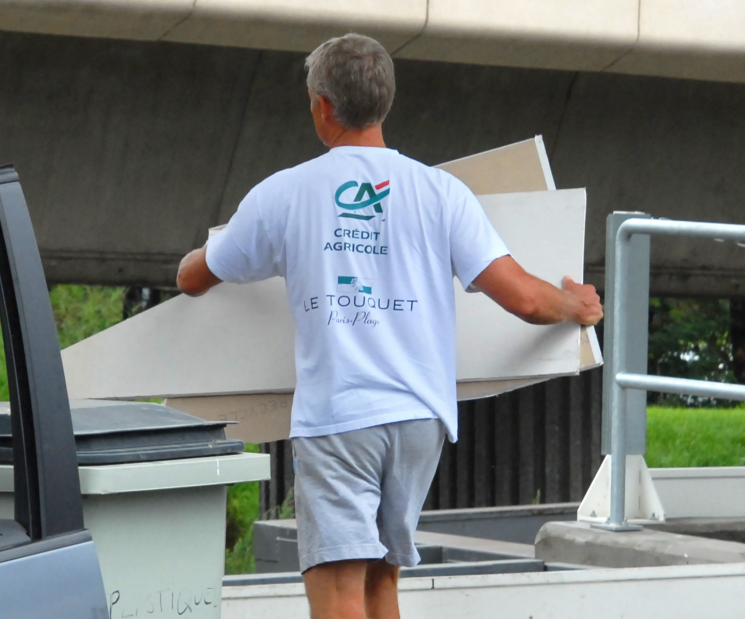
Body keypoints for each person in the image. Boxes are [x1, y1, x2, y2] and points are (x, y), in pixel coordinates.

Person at [175, 33, 603, 619]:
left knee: (338, 592)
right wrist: (577, 307)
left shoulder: (283, 195)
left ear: (322, 106)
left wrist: (201, 254)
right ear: (384, 103)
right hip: (418, 421)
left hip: (340, 420)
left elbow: (194, 278)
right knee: (380, 587)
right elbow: (526, 300)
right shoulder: (441, 193)